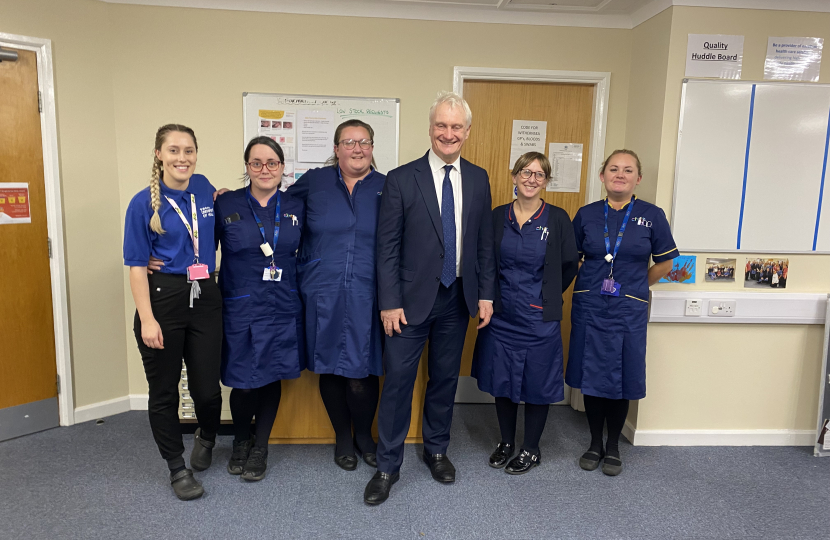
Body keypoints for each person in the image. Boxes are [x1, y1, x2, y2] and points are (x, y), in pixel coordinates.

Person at [365, 91, 496, 505]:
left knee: (443, 381)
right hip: (406, 304)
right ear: (431, 128)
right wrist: (389, 301)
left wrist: (487, 295)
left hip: (457, 299)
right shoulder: (402, 178)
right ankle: (387, 464)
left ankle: (436, 449)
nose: (448, 133)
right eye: (442, 125)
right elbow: (386, 246)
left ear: (468, 132)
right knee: (398, 384)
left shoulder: (478, 178)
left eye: (456, 126)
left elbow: (483, 244)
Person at [124, 124, 222, 501]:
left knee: (207, 390)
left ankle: (208, 435)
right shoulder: (142, 203)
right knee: (163, 392)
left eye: (189, 151)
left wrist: (227, 194)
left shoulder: (203, 187)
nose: (183, 158)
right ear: (159, 155)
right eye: (174, 151)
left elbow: (218, 213)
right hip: (162, 298)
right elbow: (136, 266)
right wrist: (147, 319)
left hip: (206, 296)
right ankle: (177, 469)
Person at [566, 149, 678, 477]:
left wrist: (638, 285)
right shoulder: (586, 215)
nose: (620, 174)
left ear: (637, 179)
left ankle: (612, 444)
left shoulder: (652, 215)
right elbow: (572, 258)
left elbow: (666, 262)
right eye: (613, 169)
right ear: (602, 176)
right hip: (591, 306)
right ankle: (593, 443)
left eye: (628, 170)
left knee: (622, 376)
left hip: (628, 309)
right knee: (591, 373)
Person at [471, 152, 578, 475]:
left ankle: (531, 448)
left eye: (539, 174)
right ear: (514, 176)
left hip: (539, 318)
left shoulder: (557, 219)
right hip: (502, 315)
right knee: (503, 382)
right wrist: (487, 298)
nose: (531, 179)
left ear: (546, 181)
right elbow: (485, 261)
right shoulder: (496, 217)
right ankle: (506, 441)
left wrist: (545, 297)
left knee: (537, 384)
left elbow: (569, 264)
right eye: (525, 172)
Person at [287, 120, 385, 471]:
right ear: (336, 148)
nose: (357, 149)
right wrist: (227, 198)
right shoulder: (315, 183)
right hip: (322, 290)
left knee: (362, 369)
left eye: (364, 142)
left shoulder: (387, 188)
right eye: (349, 142)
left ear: (373, 147)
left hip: (367, 293)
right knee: (329, 366)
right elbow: (274, 210)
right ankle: (342, 436)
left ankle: (364, 435)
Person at [214, 136, 304, 481]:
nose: (264, 169)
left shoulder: (296, 205)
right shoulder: (225, 204)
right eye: (256, 163)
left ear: (282, 168)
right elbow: (199, 249)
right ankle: (240, 440)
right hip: (241, 304)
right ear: (246, 167)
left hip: (283, 304)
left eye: (272, 163)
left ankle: (261, 445)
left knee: (270, 376)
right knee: (243, 380)